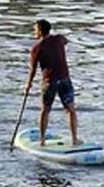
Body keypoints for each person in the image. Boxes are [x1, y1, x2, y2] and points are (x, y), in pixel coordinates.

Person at [24, 19, 80, 147]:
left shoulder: (37, 48)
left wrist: (28, 84)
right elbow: (66, 41)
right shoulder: (59, 39)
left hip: (50, 81)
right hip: (65, 79)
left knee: (45, 110)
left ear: (40, 31)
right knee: (70, 110)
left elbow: (33, 69)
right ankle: (74, 139)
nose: (34, 32)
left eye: (35, 30)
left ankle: (42, 140)